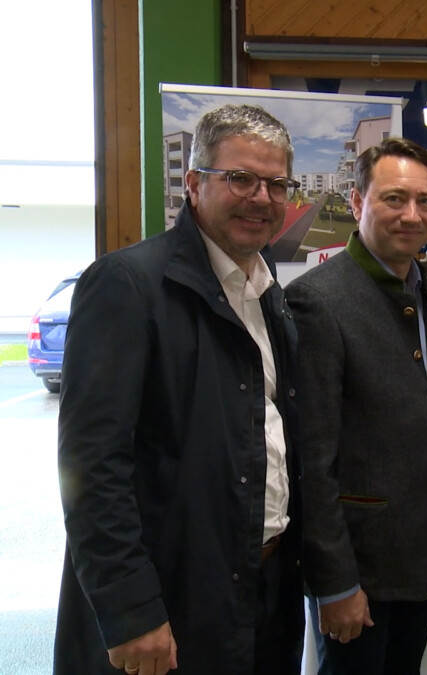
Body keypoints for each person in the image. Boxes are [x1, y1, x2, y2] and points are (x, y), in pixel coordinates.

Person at [54, 104, 305, 675]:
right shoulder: (127, 285)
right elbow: (92, 466)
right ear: (193, 185)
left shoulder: (269, 296)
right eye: (239, 178)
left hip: (261, 592)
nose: (261, 198)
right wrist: (131, 610)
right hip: (170, 600)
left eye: (276, 184)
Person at [287, 137, 427, 674]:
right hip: (360, 570)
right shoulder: (318, 301)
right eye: (394, 198)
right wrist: (335, 583)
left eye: (426, 201)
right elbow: (312, 462)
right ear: (357, 200)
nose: (413, 215)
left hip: (425, 555)